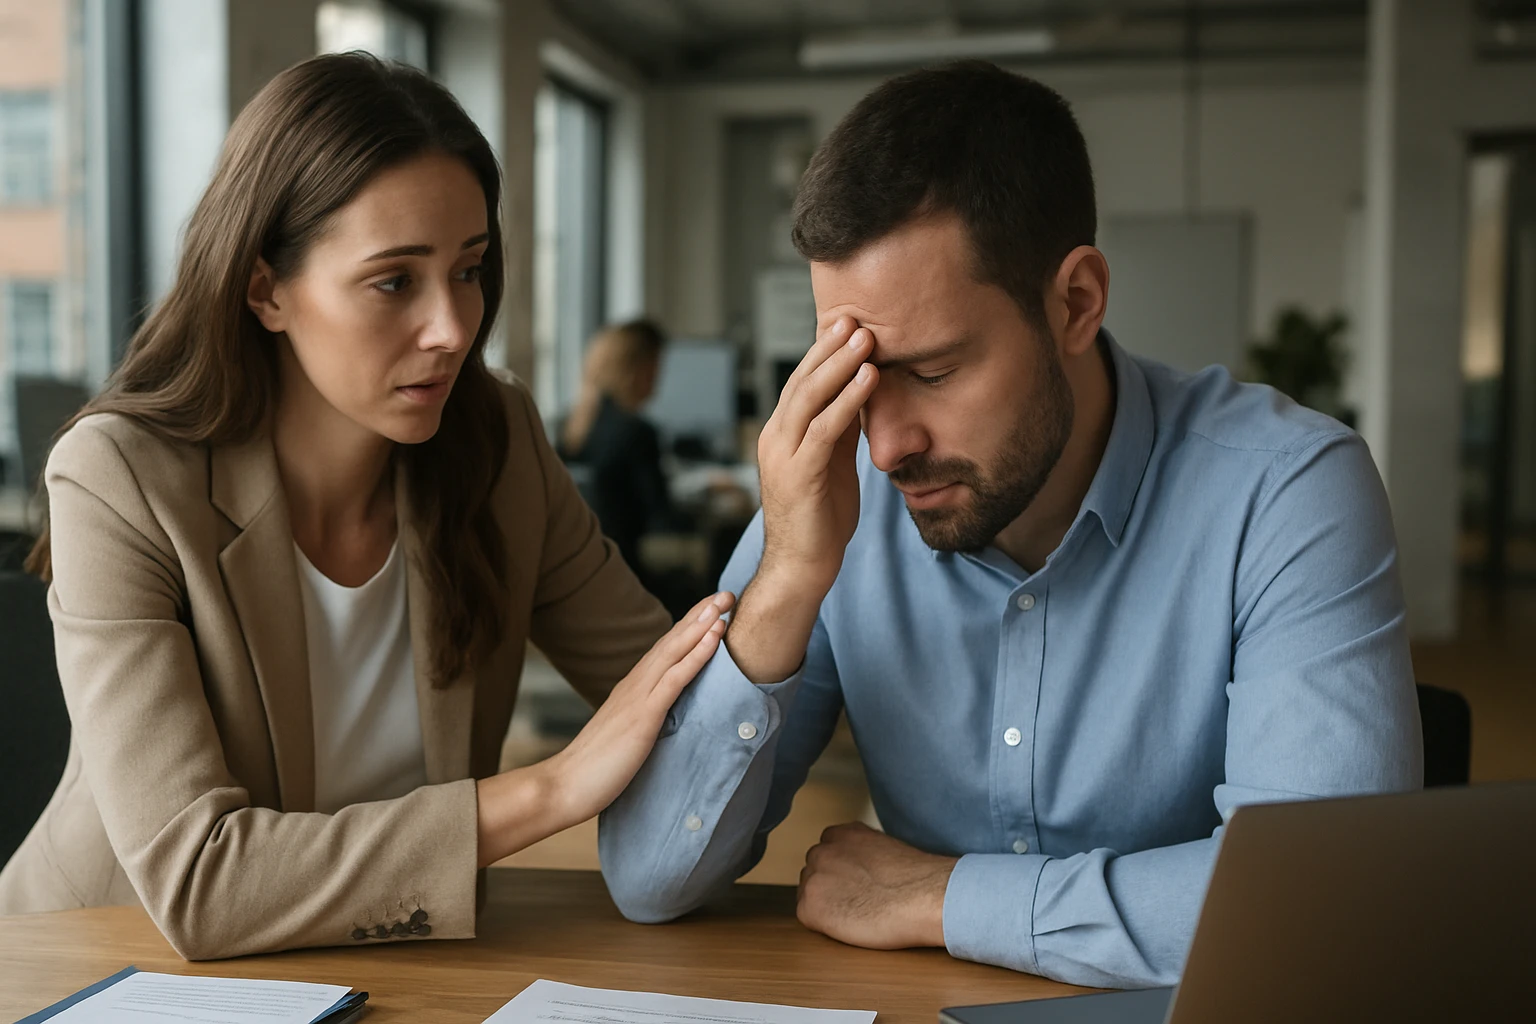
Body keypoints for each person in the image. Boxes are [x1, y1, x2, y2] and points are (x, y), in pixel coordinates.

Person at [599, 60, 1421, 989]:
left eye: (937, 370)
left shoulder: (1287, 491)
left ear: (1075, 302)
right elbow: (649, 880)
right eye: (856, 377)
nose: (884, 445)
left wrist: (941, 898)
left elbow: (1324, 910)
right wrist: (787, 576)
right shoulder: (836, 501)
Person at [0, 53, 733, 960]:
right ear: (266, 289)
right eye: (395, 281)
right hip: (101, 963)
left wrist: (797, 554)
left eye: (468, 270)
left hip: (390, 965)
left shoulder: (496, 440)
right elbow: (201, 882)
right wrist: (552, 789)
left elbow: (685, 701)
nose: (453, 328)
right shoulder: (119, 478)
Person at [558, 320, 679, 573]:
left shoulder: (570, 426)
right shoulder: (636, 433)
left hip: (581, 571)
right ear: (641, 369)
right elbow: (661, 518)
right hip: (629, 570)